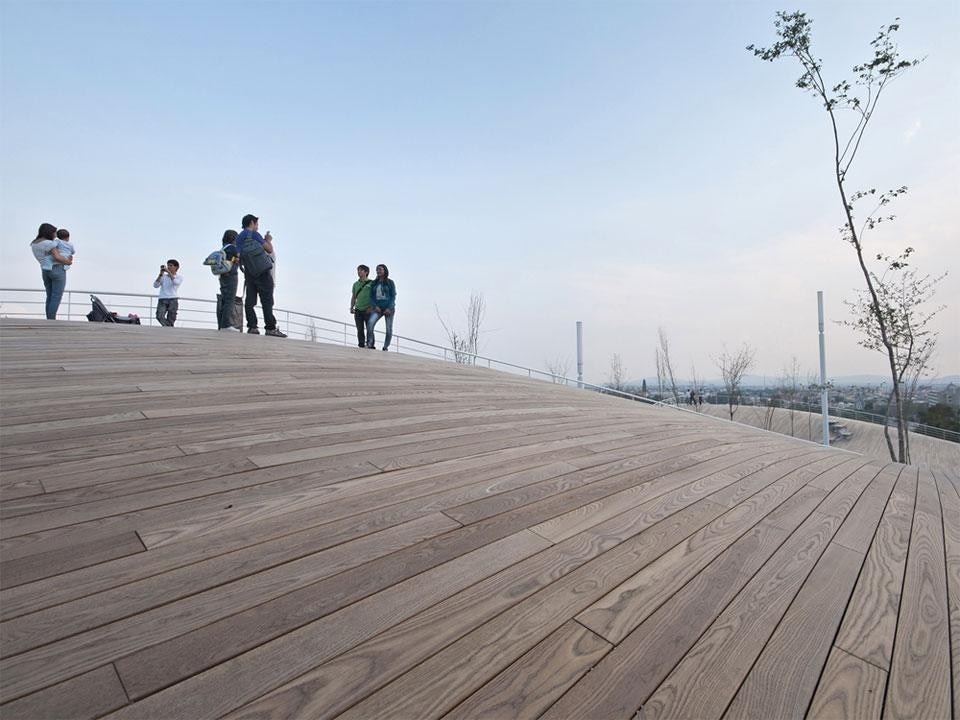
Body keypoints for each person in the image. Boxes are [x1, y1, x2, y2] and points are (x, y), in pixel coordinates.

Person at [236, 213, 286, 337]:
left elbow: (238, 256)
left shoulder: (239, 238)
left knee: (250, 301)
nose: (257, 227)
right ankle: (270, 328)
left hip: (249, 272)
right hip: (262, 272)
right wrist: (268, 240)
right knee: (267, 301)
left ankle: (252, 327)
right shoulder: (254, 234)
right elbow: (269, 249)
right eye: (256, 224)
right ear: (252, 223)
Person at [30, 223, 73, 320]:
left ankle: (49, 319)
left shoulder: (34, 244)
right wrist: (68, 261)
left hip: (45, 271)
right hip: (57, 269)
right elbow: (57, 257)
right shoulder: (49, 243)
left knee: (49, 296)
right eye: (54, 233)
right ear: (48, 232)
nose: (55, 235)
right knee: (56, 296)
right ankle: (51, 320)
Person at [366, 264, 396, 351]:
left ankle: (385, 346)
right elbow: (371, 296)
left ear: (385, 271)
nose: (378, 271)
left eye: (380, 269)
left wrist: (389, 308)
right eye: (377, 270)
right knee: (370, 324)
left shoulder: (390, 282)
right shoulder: (374, 283)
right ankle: (370, 343)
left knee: (388, 329)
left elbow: (393, 296)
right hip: (377, 309)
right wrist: (375, 306)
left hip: (389, 309)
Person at [217, 230, 241, 331]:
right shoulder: (232, 247)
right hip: (231, 275)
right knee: (230, 300)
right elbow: (240, 255)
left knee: (224, 299)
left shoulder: (224, 248)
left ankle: (222, 324)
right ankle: (226, 325)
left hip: (223, 275)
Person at [153, 259, 182, 326]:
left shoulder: (179, 277)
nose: (168, 267)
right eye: (168, 265)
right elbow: (155, 285)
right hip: (163, 298)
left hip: (173, 299)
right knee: (159, 316)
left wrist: (169, 272)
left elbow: (176, 282)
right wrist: (160, 274)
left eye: (171, 266)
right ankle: (170, 328)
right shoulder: (163, 277)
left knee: (171, 318)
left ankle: (169, 329)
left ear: (176, 267)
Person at [350, 264, 373, 348]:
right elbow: (353, 296)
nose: (359, 272)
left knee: (369, 328)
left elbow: (375, 297)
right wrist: (351, 307)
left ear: (366, 272)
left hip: (368, 310)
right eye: (358, 270)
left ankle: (370, 344)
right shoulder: (355, 284)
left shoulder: (371, 283)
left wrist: (371, 307)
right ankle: (361, 344)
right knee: (360, 329)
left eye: (361, 270)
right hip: (358, 309)